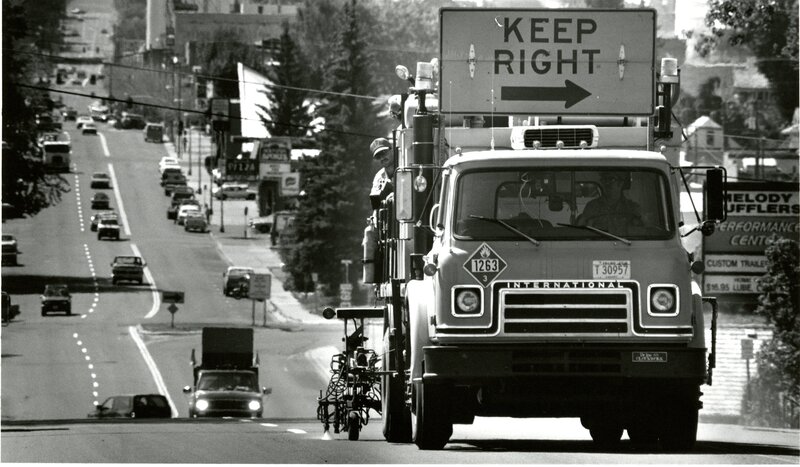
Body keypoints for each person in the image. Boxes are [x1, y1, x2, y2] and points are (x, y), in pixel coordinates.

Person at [578, 172, 642, 231]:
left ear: (621, 183)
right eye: (604, 180)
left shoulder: (632, 208)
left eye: (611, 179)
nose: (607, 183)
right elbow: (581, 231)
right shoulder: (592, 206)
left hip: (625, 243)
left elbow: (642, 233)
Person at [369, 137, 395, 204]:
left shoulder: (405, 170)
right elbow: (375, 204)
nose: (382, 158)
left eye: (384, 153)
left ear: (392, 150)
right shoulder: (378, 177)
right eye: (378, 156)